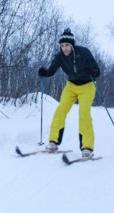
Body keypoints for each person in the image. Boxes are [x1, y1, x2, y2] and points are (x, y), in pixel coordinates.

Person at [38, 28, 100, 158]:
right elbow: (51, 70)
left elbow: (96, 70)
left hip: (87, 86)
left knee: (84, 113)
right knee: (60, 110)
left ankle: (87, 148)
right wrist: (45, 72)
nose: (64, 48)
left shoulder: (84, 52)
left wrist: (93, 71)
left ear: (72, 45)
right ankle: (53, 142)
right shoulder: (60, 56)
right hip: (71, 85)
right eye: (62, 46)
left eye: (67, 45)